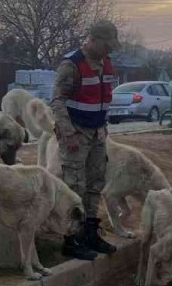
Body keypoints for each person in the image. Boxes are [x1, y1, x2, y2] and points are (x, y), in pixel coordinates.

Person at [50, 21, 121, 261]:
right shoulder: (72, 65)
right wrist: (68, 134)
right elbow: (58, 102)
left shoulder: (107, 65)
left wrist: (104, 129)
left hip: (97, 132)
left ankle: (90, 232)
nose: (109, 50)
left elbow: (103, 100)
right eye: (106, 45)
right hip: (77, 133)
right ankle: (71, 238)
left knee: (95, 184)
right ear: (93, 40)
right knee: (75, 187)